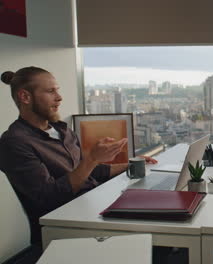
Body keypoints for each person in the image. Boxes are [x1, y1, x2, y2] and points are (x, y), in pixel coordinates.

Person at [0, 66, 156, 246]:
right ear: (25, 97)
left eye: (57, 90)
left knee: (157, 214)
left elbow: (88, 172)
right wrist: (92, 159)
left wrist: (131, 165)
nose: (59, 97)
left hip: (93, 209)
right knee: (154, 236)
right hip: (69, 228)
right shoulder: (14, 143)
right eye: (51, 91)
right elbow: (48, 197)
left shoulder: (61, 130)